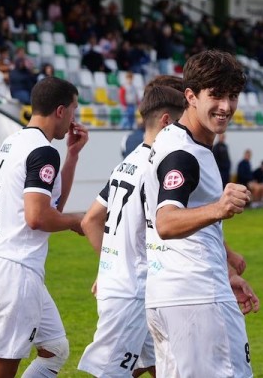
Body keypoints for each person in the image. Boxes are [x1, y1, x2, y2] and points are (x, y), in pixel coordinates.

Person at [142, 50, 259, 376]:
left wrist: (226, 272)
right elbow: (165, 221)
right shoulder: (184, 153)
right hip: (197, 299)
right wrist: (219, 208)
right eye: (216, 95)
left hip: (168, 296)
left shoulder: (170, 139)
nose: (226, 106)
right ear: (190, 96)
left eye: (233, 96)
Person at [0, 77, 88, 378]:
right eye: (75, 109)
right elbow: (38, 217)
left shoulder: (13, 141)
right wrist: (80, 221)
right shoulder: (42, 150)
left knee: (55, 349)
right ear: (61, 110)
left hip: (2, 262)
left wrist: (73, 156)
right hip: (16, 270)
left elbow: (51, 208)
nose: (74, 118)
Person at [78, 84, 187, 378]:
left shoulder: (126, 163)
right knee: (112, 373)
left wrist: (111, 266)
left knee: (161, 366)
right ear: (166, 121)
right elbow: (167, 226)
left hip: (122, 284)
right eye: (182, 124)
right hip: (133, 291)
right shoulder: (155, 168)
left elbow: (90, 220)